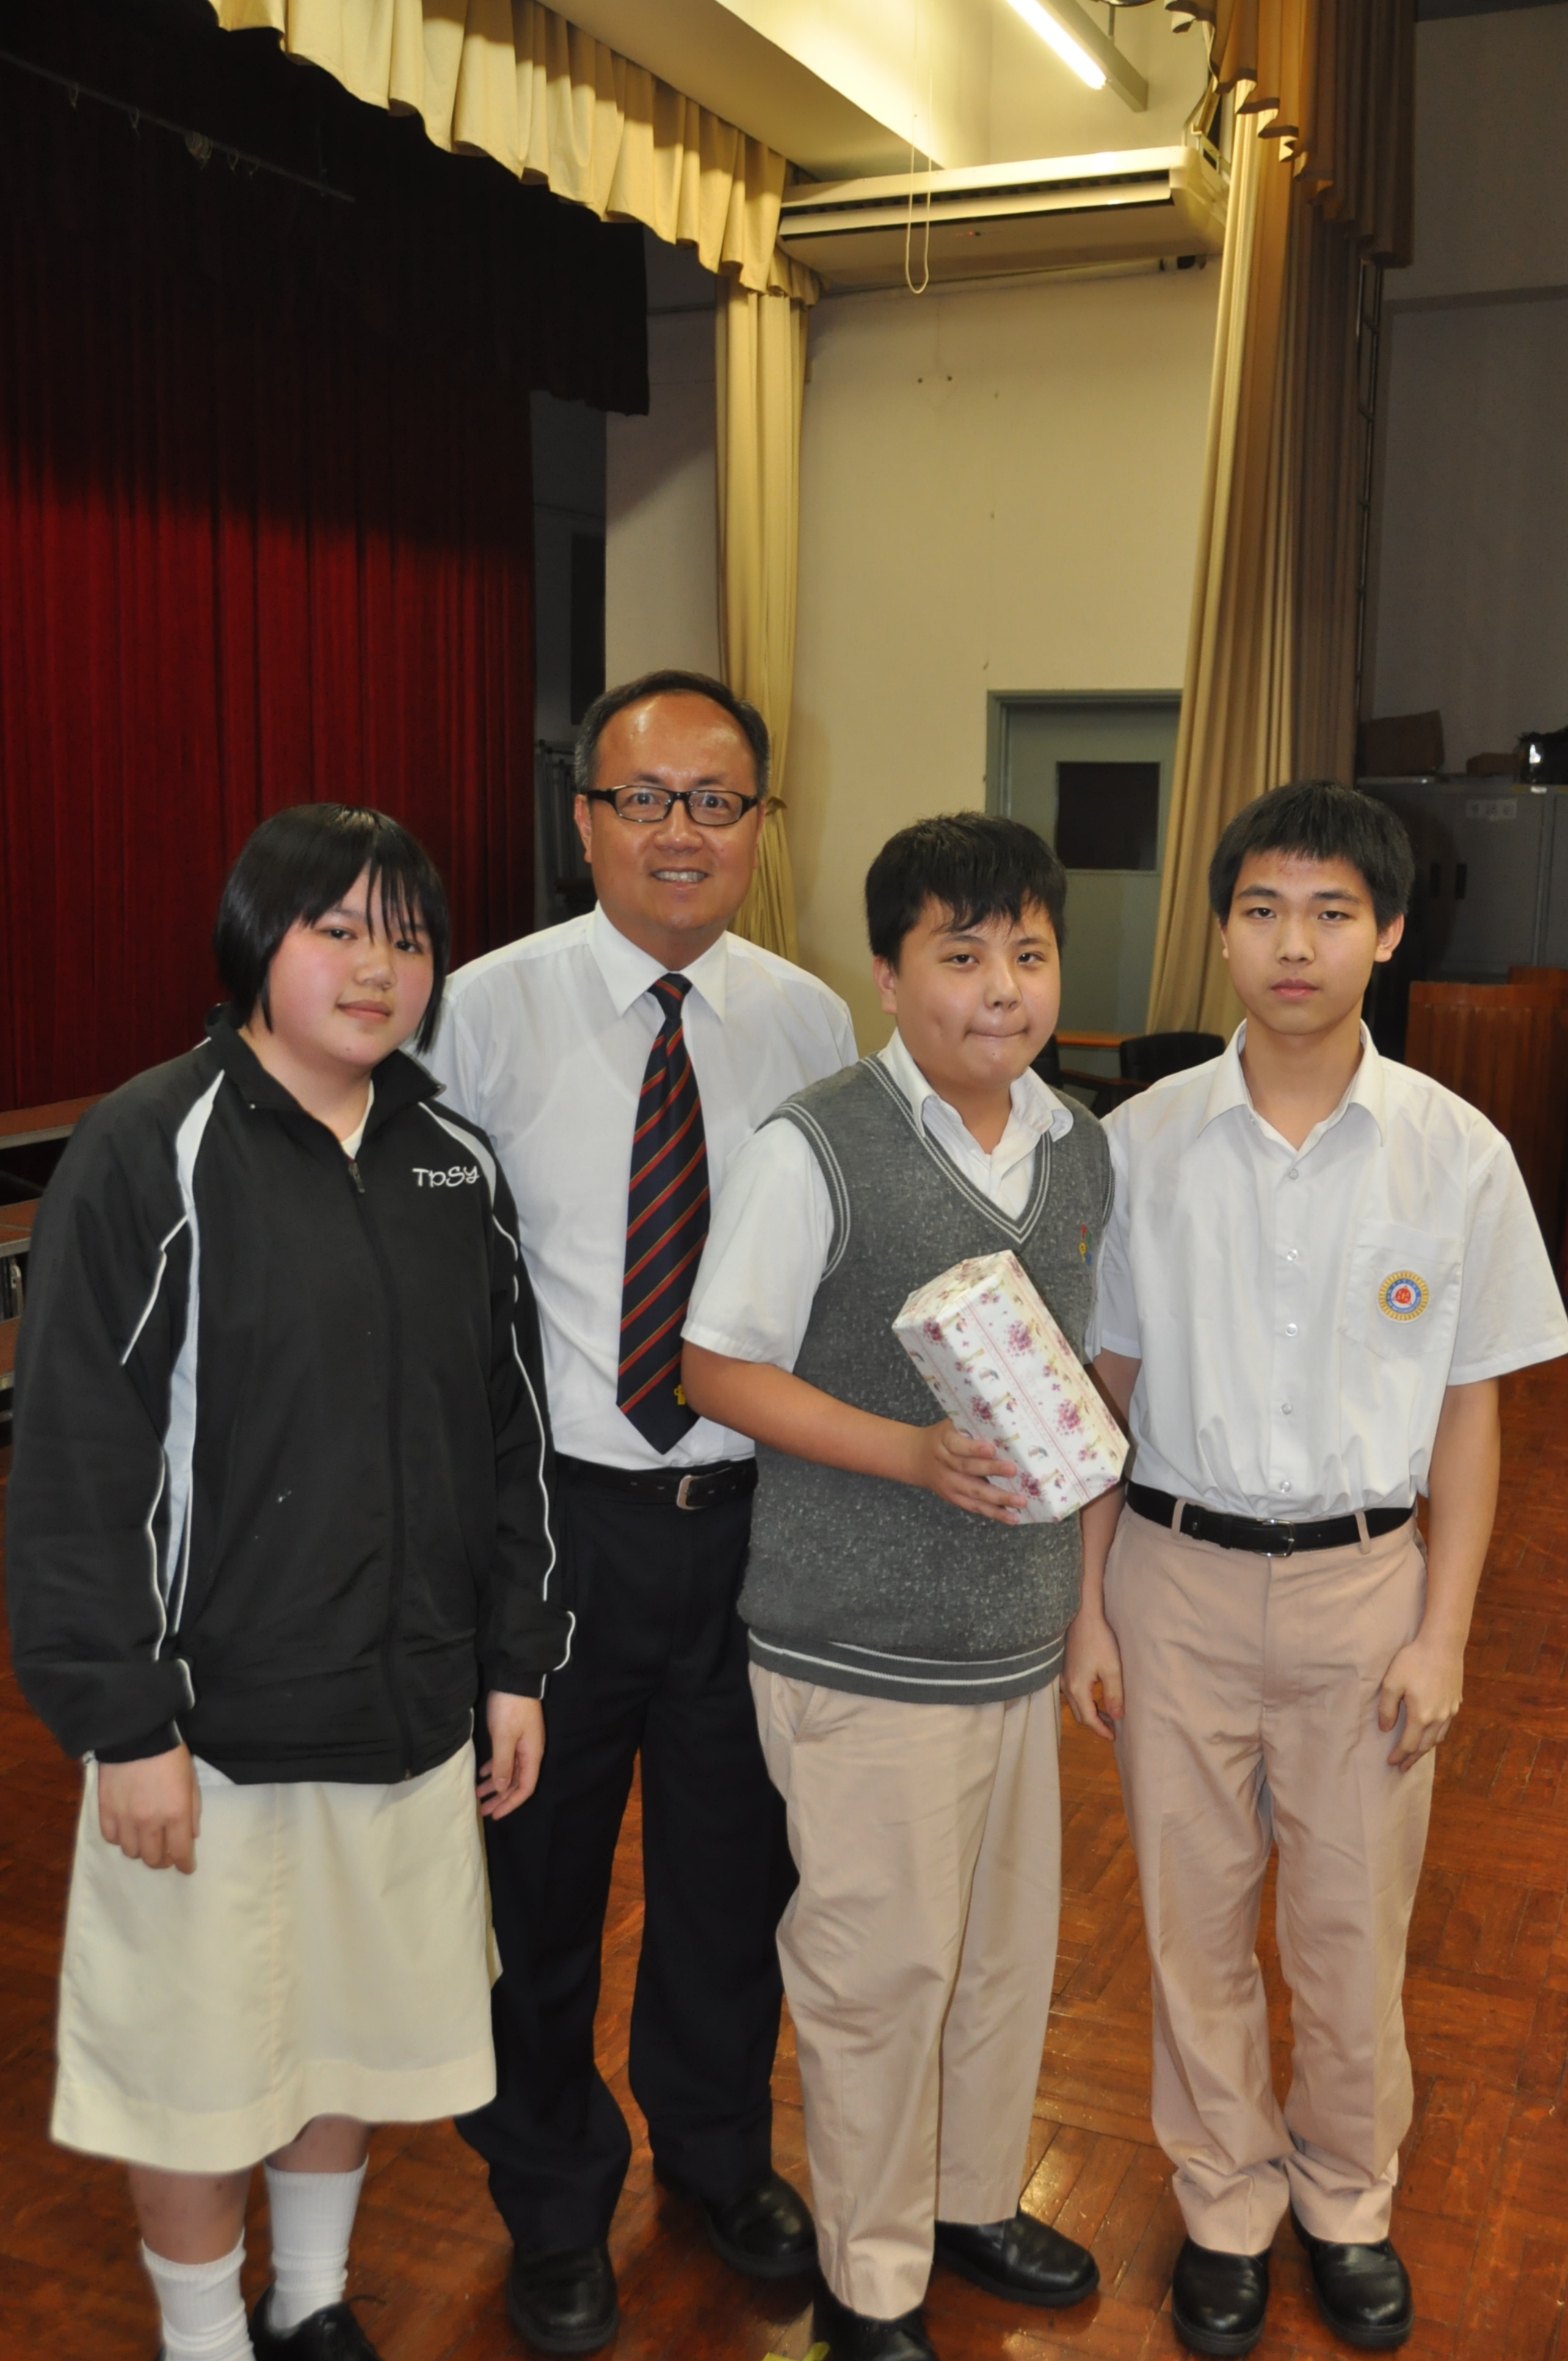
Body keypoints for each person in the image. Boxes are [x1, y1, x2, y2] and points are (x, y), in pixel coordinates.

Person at [6, 805, 570, 2361]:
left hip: (410, 1703)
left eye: (409, 938)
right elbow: (80, 1457)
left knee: (353, 2035)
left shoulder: (453, 1161)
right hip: (211, 1729)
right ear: (258, 941)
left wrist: (514, 1661)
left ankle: (310, 2305)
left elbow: (508, 1431)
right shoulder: (152, 1144)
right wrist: (126, 1722)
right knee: (195, 2071)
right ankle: (202, 2340)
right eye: (340, 931)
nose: (380, 968)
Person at [1064, 780, 1568, 2358]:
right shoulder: (1140, 1146)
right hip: (1173, 1579)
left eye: (1333, 912)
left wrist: (1445, 1632)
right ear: (1221, 932)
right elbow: (1105, 1400)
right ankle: (1224, 2204)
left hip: (1366, 1591)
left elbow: (1473, 1415)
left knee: (1353, 1932)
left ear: (1389, 933)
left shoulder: (1458, 1154)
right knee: (1191, 1925)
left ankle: (1348, 2199)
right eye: (1265, 910)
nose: (1296, 944)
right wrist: (1088, 1609)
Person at [425, 670, 857, 2354]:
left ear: (760, 824)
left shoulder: (810, 1025)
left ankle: (718, 2156)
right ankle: (550, 2197)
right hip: (558, 1529)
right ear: (584, 818)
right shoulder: (481, 1011)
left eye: (718, 800)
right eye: (646, 798)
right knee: (533, 1884)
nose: (684, 831)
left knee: (732, 1874)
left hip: (753, 1516)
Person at [680, 812, 1108, 2361]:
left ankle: (973, 2200)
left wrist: (1082, 1609)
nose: (1001, 988)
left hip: (1014, 1638)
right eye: (961, 953)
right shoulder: (816, 1144)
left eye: (1028, 953)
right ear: (887, 972)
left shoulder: (1080, 1145)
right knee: (878, 1976)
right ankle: (871, 2284)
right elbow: (714, 1368)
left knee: (1000, 1958)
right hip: (856, 1648)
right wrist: (909, 1456)